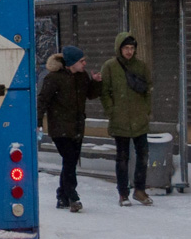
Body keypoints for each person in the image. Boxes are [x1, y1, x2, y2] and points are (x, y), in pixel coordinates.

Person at [36, 45, 101, 212]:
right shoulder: (54, 78)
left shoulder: (82, 76)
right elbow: (42, 100)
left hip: (77, 126)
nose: (85, 63)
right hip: (60, 127)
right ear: (71, 63)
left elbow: (90, 94)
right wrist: (37, 122)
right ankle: (72, 196)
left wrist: (96, 82)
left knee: (69, 162)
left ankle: (62, 196)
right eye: (81, 61)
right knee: (70, 159)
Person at [101, 32, 154, 206]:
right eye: (126, 48)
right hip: (120, 120)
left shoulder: (141, 66)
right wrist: (112, 111)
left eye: (132, 48)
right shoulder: (110, 67)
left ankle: (140, 190)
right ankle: (123, 193)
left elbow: (148, 90)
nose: (129, 51)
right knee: (122, 157)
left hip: (139, 120)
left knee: (143, 155)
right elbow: (105, 91)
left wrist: (146, 110)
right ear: (119, 49)